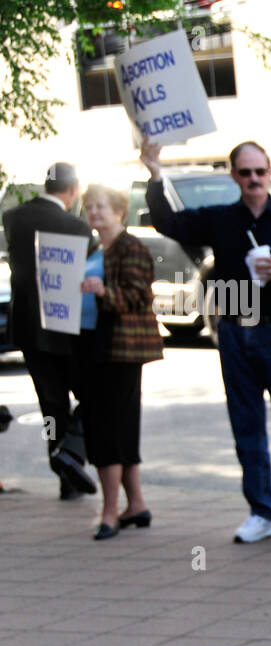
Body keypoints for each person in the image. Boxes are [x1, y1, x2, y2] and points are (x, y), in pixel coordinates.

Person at [142, 137, 271, 545]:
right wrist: (155, 173)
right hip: (235, 325)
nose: (254, 179)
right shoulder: (222, 218)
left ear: (270, 173)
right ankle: (262, 512)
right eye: (245, 173)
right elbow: (170, 223)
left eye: (260, 172)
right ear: (234, 176)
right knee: (247, 425)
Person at [2, 162, 96, 499]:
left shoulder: (13, 218)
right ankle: (70, 453)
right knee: (93, 394)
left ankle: (63, 470)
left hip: (28, 327)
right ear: (73, 191)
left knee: (50, 403)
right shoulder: (78, 227)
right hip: (67, 325)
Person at [76, 184, 163, 540]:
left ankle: (109, 513)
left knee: (108, 429)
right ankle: (137, 504)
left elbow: (139, 295)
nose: (94, 212)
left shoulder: (132, 247)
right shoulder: (97, 247)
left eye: (101, 207)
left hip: (120, 348)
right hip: (93, 343)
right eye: (89, 207)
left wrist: (102, 291)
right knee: (115, 426)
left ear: (118, 212)